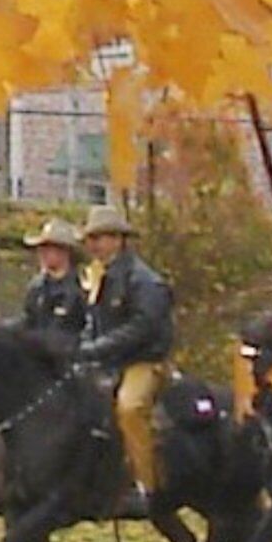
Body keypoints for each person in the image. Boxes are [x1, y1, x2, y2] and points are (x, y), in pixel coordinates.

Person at [74, 205, 176, 506]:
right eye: (91, 238)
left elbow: (144, 327)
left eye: (101, 237)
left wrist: (98, 348)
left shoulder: (143, 280)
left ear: (119, 239)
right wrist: (82, 346)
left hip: (144, 361)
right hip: (107, 362)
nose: (94, 245)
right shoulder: (98, 277)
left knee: (130, 408)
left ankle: (147, 486)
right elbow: (93, 321)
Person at [17, 217, 88, 344]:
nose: (42, 253)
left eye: (48, 248)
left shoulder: (81, 288)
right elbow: (27, 321)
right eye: (41, 248)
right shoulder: (36, 286)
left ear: (65, 251)